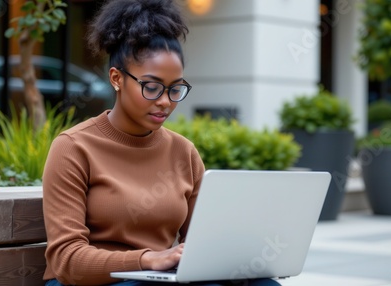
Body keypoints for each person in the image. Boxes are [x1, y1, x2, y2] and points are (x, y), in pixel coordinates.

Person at [42, 0, 280, 285]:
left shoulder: (183, 152)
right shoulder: (74, 147)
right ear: (117, 78)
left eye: (175, 89)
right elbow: (67, 261)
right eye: (152, 87)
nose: (165, 102)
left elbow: (202, 245)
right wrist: (147, 259)